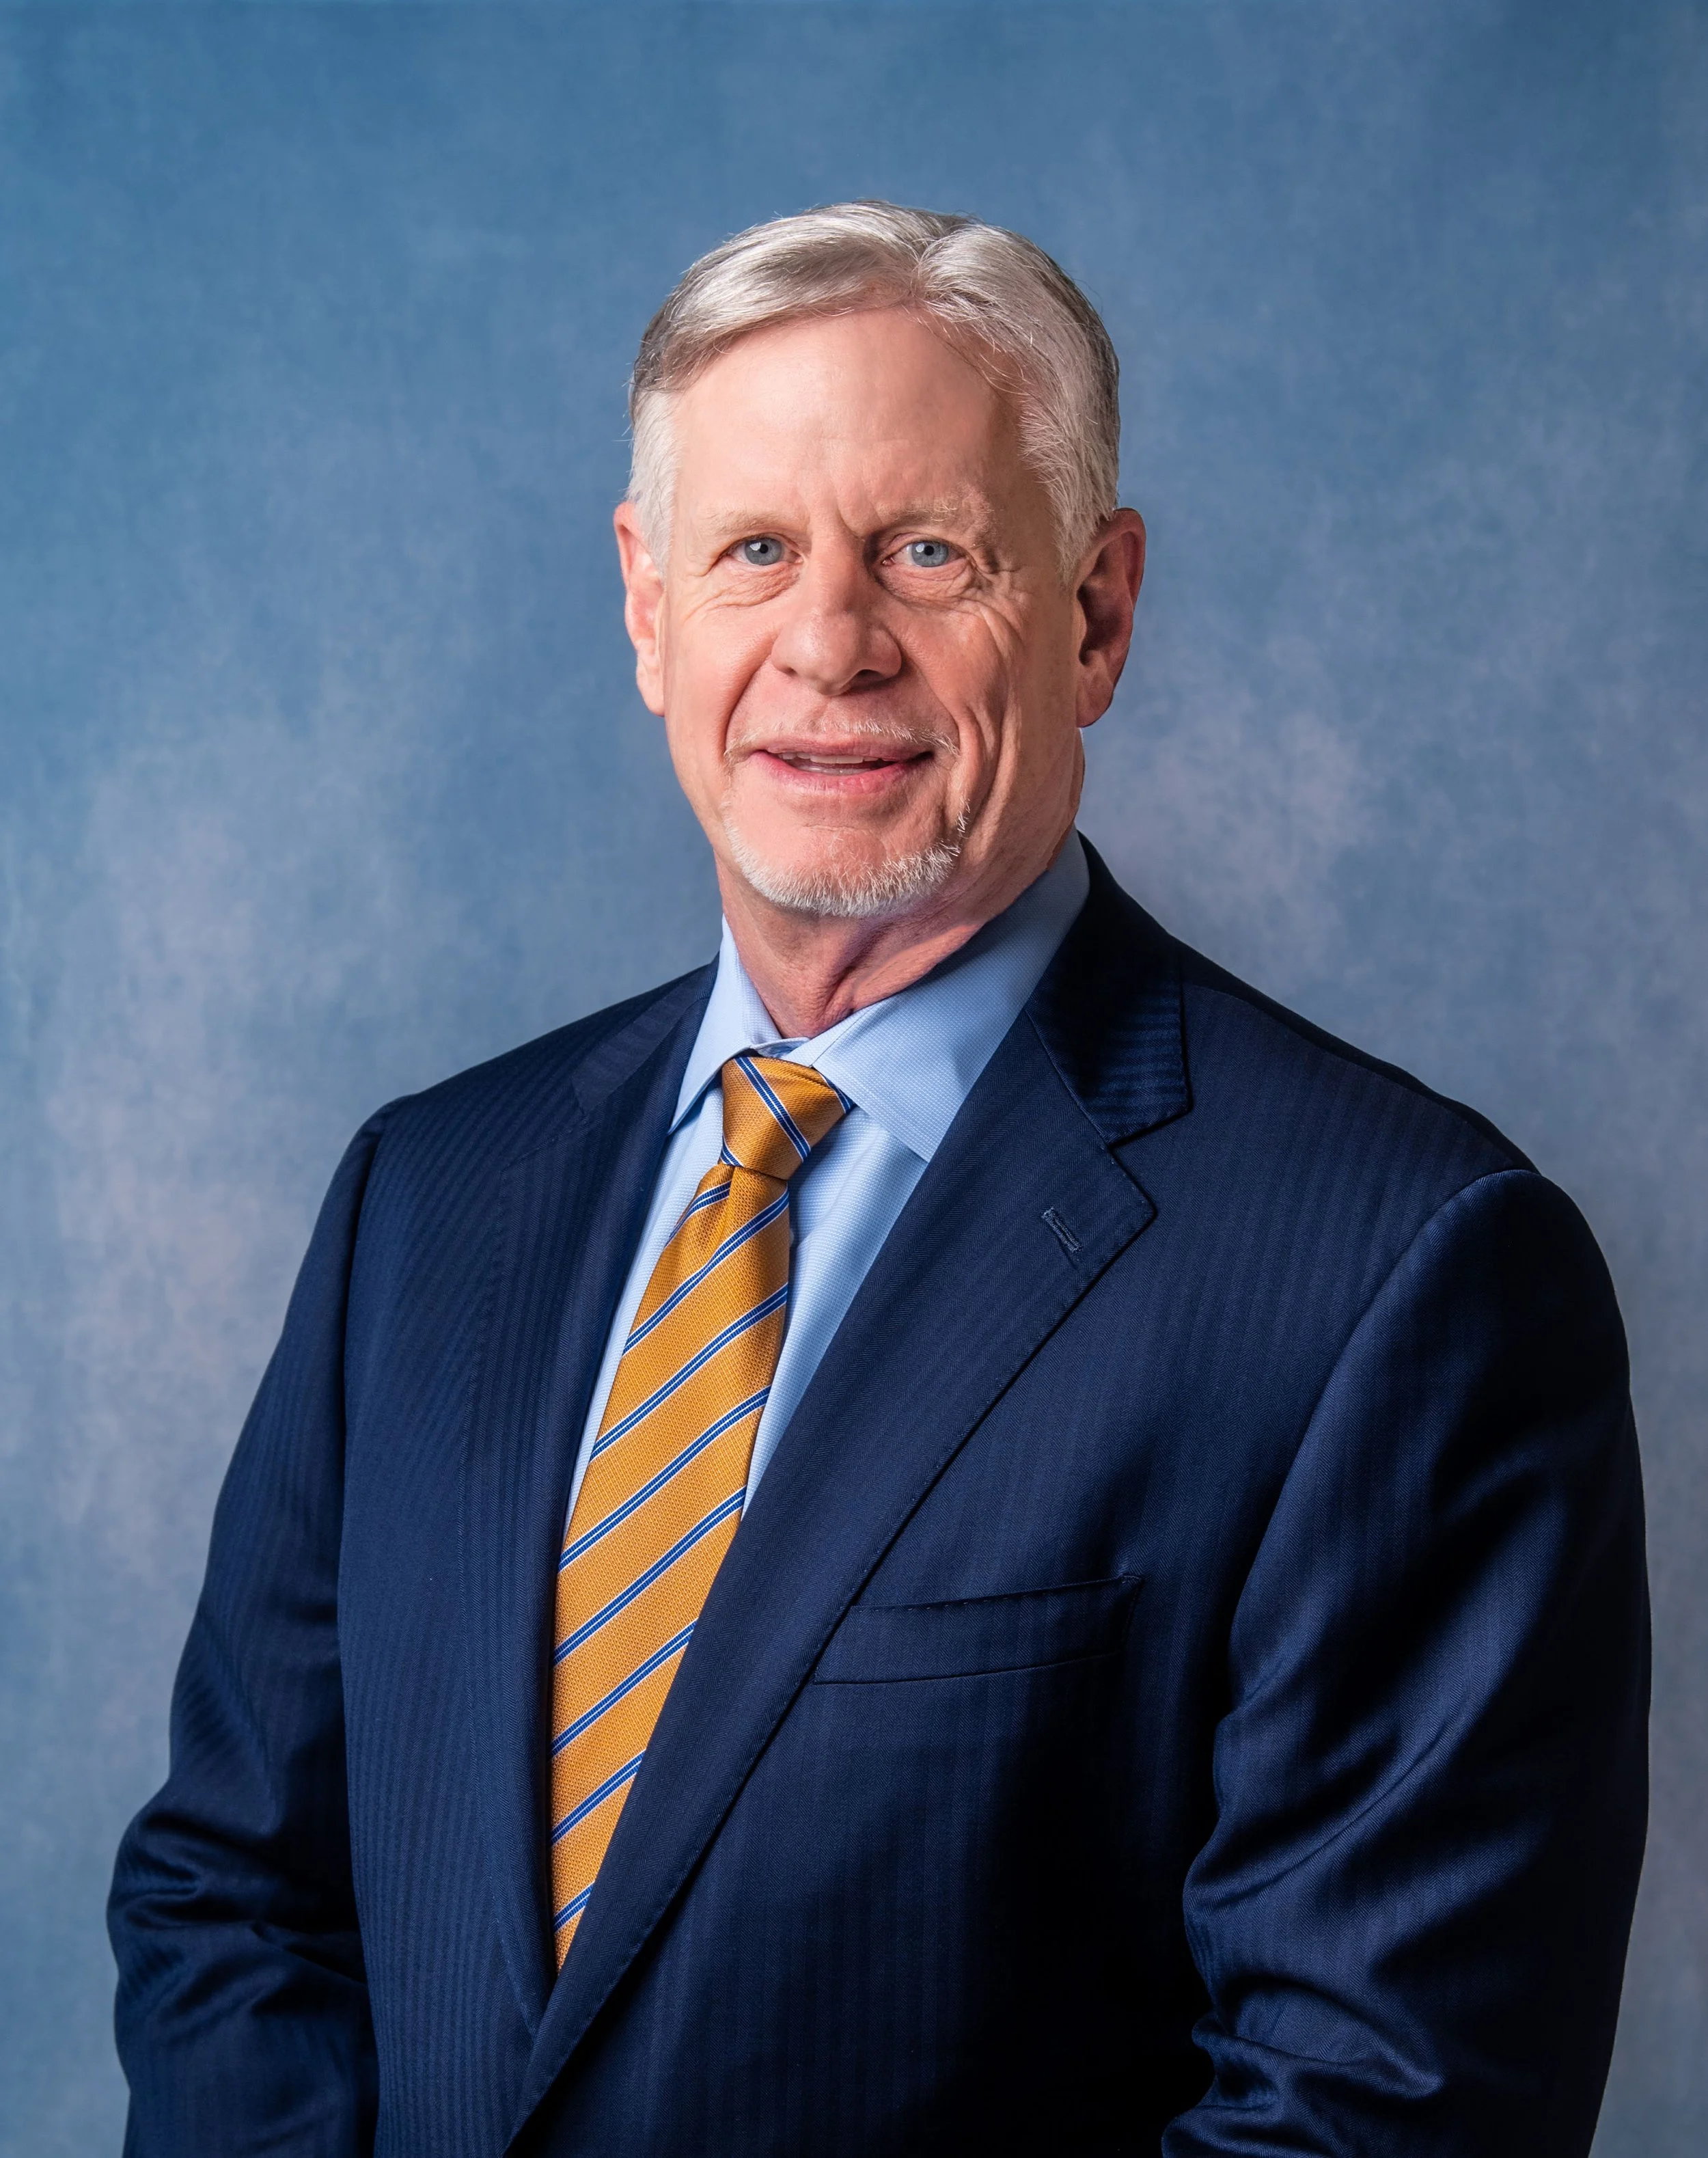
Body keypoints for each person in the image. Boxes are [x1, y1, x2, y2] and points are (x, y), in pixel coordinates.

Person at [109, 202, 1648, 2158]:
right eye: (753, 549)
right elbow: (236, 1899)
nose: (828, 642)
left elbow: (1372, 2109)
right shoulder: (427, 1196)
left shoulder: (1396, 1274)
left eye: (927, 552)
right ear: (647, 604)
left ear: (1093, 609)